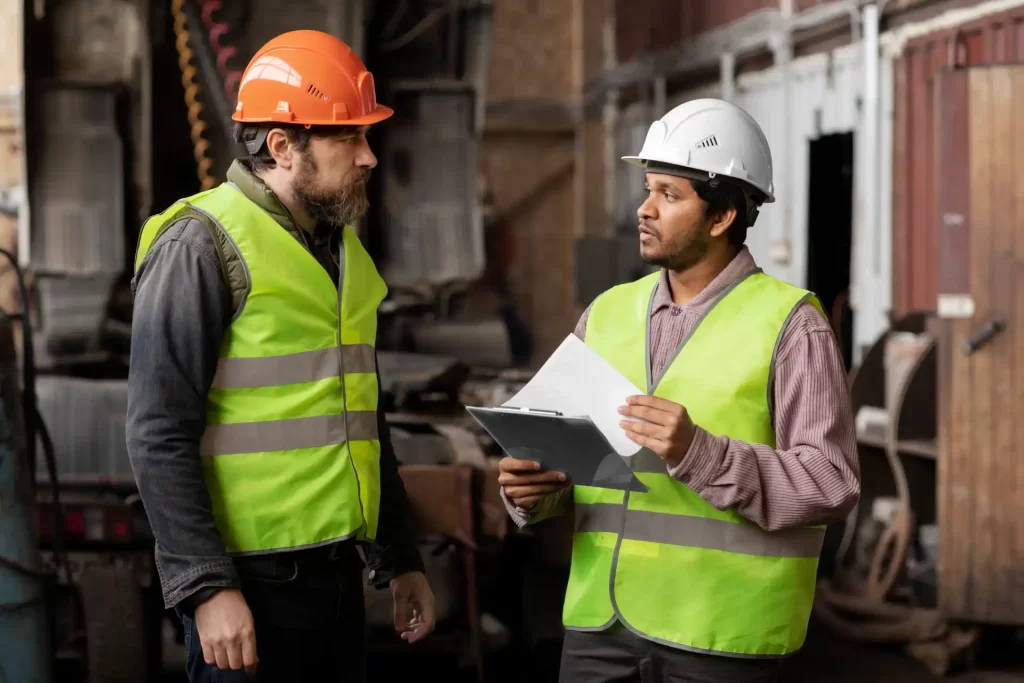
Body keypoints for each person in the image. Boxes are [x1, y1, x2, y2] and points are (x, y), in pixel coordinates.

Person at [498, 98, 860, 682]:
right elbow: (572, 465)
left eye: (669, 194)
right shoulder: (607, 313)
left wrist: (701, 453)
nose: (644, 209)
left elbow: (832, 483)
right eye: (648, 189)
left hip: (721, 637)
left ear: (722, 216)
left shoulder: (792, 325)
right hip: (598, 630)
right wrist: (532, 491)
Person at [126, 30, 435, 682]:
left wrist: (399, 554)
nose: (369, 156)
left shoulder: (341, 253)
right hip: (248, 586)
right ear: (281, 146)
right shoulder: (200, 245)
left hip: (335, 579)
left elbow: (361, 416)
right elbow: (158, 433)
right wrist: (206, 587)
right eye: (349, 138)